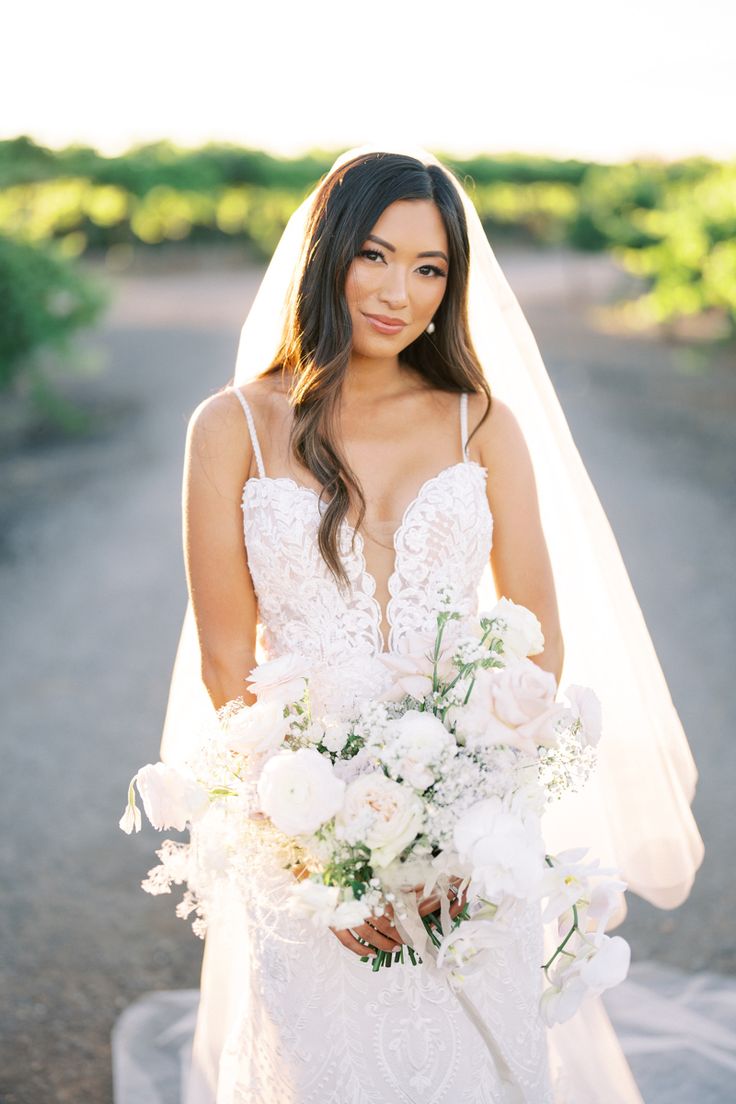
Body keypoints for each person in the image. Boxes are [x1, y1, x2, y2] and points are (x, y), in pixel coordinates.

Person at [160, 146, 703, 1103]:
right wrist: (319, 858)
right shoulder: (230, 426)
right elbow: (224, 662)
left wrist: (468, 828)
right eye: (374, 255)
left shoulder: (478, 422)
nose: (397, 292)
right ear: (327, 256)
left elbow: (537, 635)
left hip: (471, 833)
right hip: (306, 836)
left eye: (429, 268)